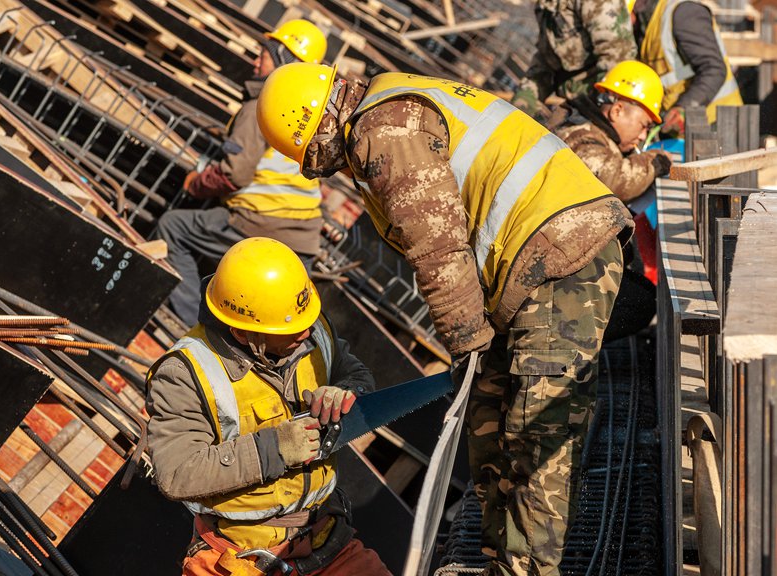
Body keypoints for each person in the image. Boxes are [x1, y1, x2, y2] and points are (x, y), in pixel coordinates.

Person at [256, 64, 632, 575]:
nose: (325, 171)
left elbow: (438, 249)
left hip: (562, 254)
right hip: (528, 264)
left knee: (534, 430)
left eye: (316, 160)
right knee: (486, 418)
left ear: (317, 126)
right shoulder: (386, 110)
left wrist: (467, 344)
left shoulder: (383, 128)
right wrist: (473, 354)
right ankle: (501, 557)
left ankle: (527, 570)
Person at [146, 237, 391, 576]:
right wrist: (273, 449)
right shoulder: (185, 372)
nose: (306, 333)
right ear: (244, 333)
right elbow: (175, 474)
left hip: (326, 540)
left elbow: (355, 372)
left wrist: (347, 391)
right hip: (241, 558)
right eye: (291, 329)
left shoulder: (307, 326)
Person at [157, 20, 328, 326]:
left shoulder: (264, 105)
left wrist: (196, 184)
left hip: (259, 222)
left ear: (281, 59)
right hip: (304, 237)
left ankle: (190, 325)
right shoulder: (307, 111)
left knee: (173, 226)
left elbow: (234, 175)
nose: (255, 60)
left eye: (262, 53)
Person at [553, 60, 671, 341]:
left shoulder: (588, 129)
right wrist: (654, 161)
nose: (643, 135)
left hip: (564, 259)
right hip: (557, 270)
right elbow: (614, 178)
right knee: (637, 302)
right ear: (618, 110)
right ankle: (565, 339)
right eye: (643, 125)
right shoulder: (581, 136)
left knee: (639, 294)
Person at [511, 0, 637, 121]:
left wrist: (592, 110)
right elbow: (547, 61)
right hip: (574, 101)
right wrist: (522, 106)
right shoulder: (547, 5)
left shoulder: (598, 3)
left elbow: (618, 56)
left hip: (602, 104)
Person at [632, 0, 742, 133]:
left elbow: (714, 69)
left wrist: (683, 108)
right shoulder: (647, 25)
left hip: (720, 125)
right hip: (687, 133)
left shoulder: (684, 13)